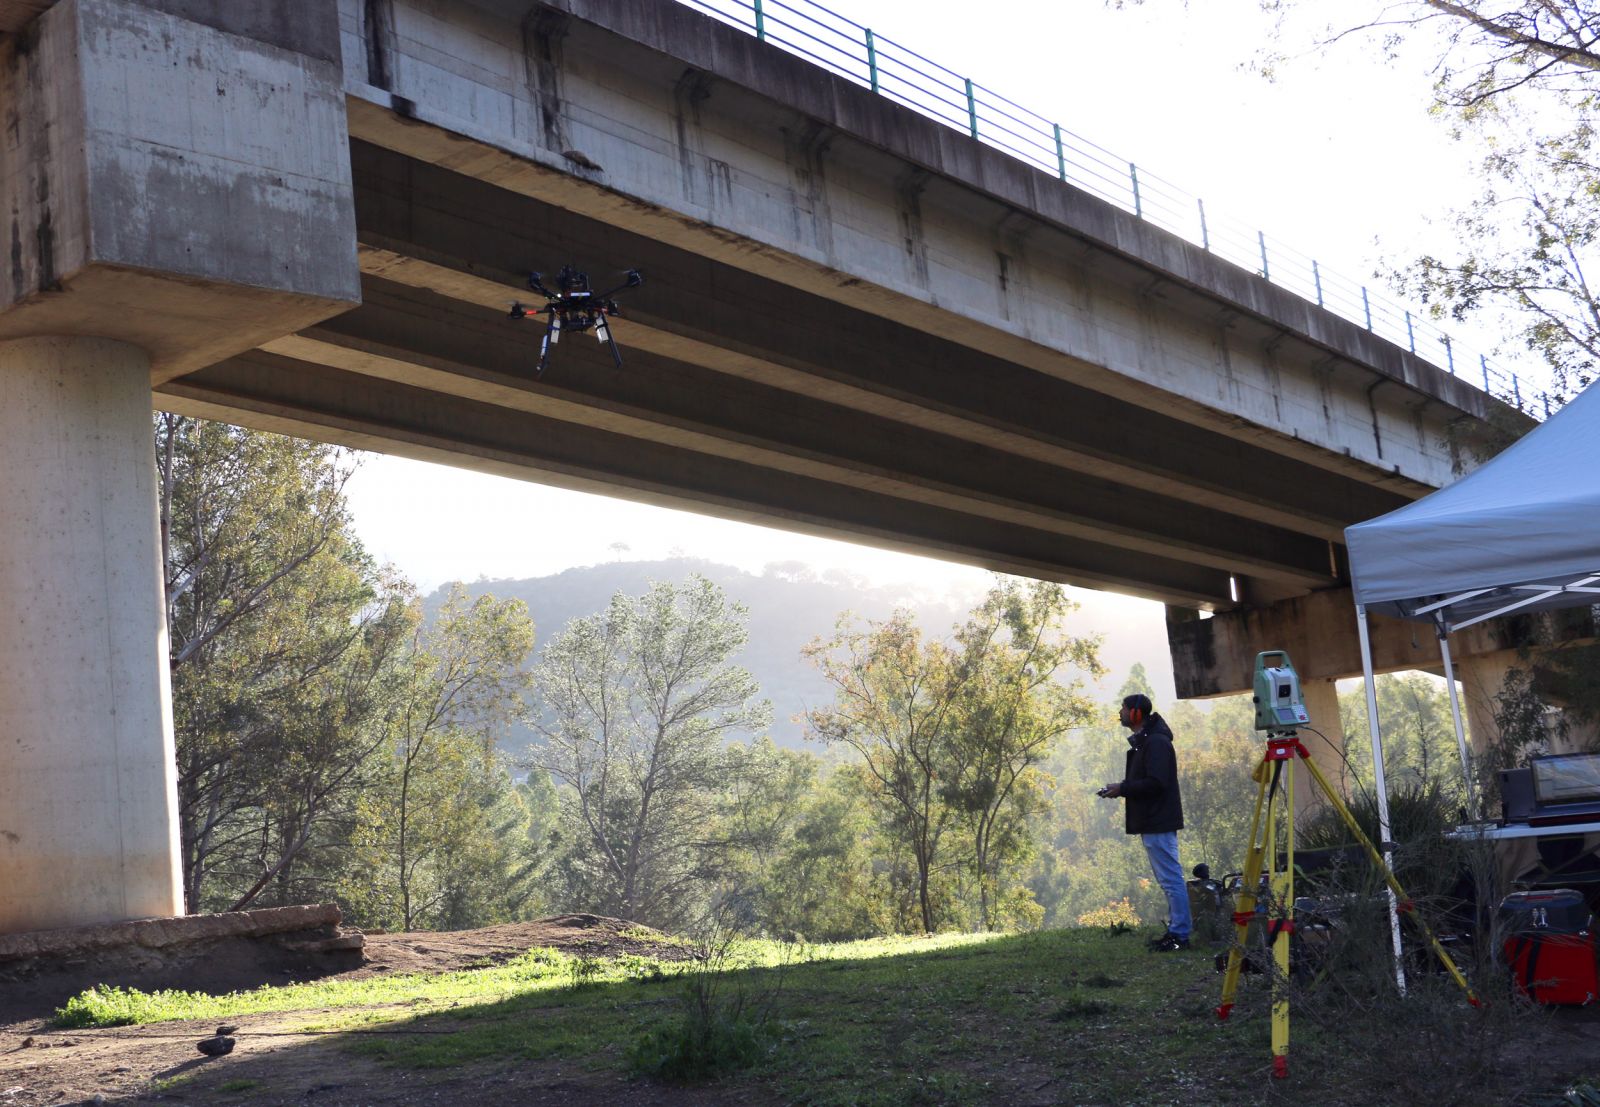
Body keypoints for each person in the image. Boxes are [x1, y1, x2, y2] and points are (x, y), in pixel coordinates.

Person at [1098, 693, 1190, 951]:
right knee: (1168, 880)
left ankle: (1180, 935)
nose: (1120, 713)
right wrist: (1122, 788)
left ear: (1136, 713)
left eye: (1124, 708)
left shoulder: (1157, 743)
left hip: (1158, 820)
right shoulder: (1147, 742)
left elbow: (1156, 782)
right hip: (1153, 820)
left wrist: (1123, 788)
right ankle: (1177, 931)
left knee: (1172, 880)